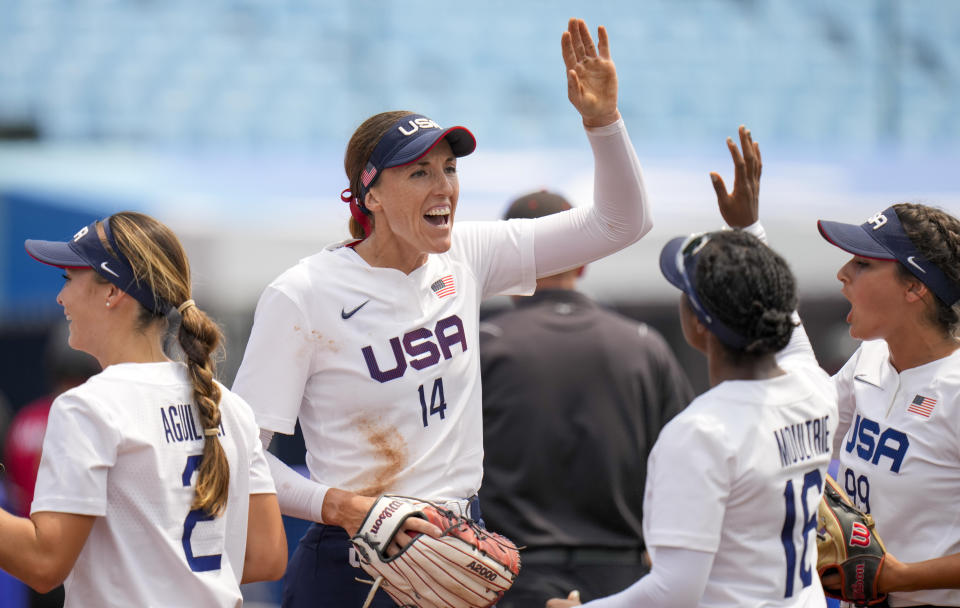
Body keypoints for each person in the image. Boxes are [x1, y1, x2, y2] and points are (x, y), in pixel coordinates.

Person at [231, 18, 653, 608]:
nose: (444, 187)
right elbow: (241, 451)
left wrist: (602, 122)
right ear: (369, 193)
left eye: (450, 169)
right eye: (420, 172)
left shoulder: (468, 253)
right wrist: (343, 507)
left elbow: (621, 224)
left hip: (459, 553)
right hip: (354, 565)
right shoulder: (302, 293)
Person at [548, 126, 838, 607]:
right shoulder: (814, 388)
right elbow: (787, 320)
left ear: (699, 325)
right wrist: (749, 230)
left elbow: (675, 590)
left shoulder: (701, 433)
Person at [0, 212, 287, 606]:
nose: (60, 297)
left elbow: (44, 564)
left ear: (113, 292)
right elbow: (267, 556)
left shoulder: (87, 406)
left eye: (68, 279)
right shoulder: (230, 405)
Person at [477, 189, 694, 607]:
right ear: (585, 258)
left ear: (504, 262)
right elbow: (687, 470)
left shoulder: (482, 349)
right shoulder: (644, 346)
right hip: (626, 584)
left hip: (507, 581)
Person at [817, 201, 960, 605]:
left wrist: (897, 577)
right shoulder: (869, 358)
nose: (843, 274)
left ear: (915, 286)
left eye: (863, 263)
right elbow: (803, 439)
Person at [2, 325, 100, 608]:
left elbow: (15, 496)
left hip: (28, 557)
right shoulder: (100, 418)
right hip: (82, 561)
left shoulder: (24, 421)